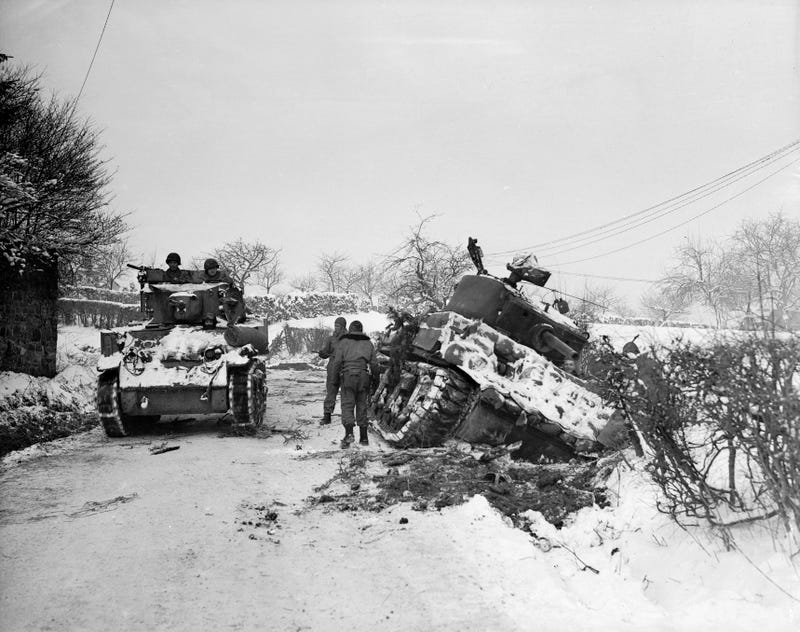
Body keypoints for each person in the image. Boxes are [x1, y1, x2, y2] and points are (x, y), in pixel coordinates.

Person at [329, 320, 379, 447]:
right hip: (363, 377)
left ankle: (349, 434)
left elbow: (337, 363)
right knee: (362, 405)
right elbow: (374, 364)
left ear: (350, 330)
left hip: (348, 377)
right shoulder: (368, 343)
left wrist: (334, 381)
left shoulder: (343, 342)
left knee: (347, 405)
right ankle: (364, 438)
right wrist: (375, 381)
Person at [317, 316, 347, 425]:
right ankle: (327, 416)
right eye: (335, 325)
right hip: (332, 368)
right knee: (331, 391)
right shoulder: (331, 339)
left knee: (346, 393)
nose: (336, 328)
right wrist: (322, 353)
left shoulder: (349, 339)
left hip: (345, 368)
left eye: (338, 326)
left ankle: (347, 416)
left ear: (343, 327)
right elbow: (326, 351)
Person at [202, 258, 246, 323]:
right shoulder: (202, 281)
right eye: (210, 268)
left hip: (223, 306)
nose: (213, 270)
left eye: (214, 268)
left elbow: (233, 291)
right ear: (206, 269)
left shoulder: (224, 279)